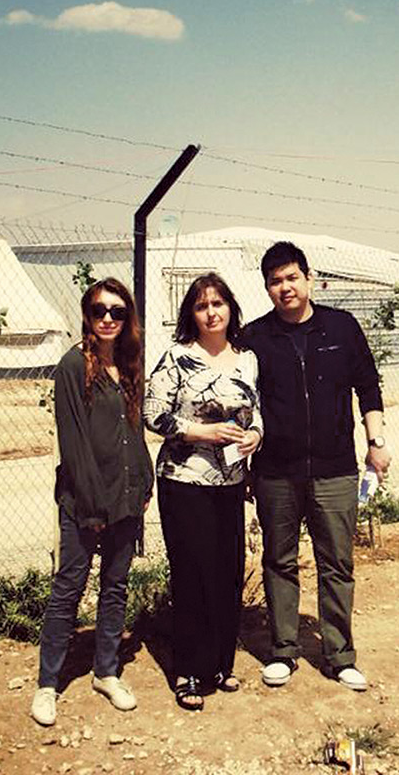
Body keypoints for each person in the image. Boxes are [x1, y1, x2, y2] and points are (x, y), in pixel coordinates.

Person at [242, 241, 391, 692]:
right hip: (275, 473)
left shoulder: (341, 328)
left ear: (309, 278)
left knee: (336, 564)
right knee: (280, 562)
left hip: (335, 471)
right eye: (274, 281)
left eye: (291, 277)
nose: (284, 287)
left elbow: (368, 388)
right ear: (267, 287)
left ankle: (339, 655)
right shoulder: (255, 337)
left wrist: (376, 442)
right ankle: (284, 651)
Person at [31, 278, 154, 727]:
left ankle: (106, 670)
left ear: (127, 319)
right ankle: (48, 684)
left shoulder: (129, 364)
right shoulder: (71, 367)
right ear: (87, 313)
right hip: (86, 503)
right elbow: (75, 444)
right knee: (69, 587)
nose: (107, 318)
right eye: (100, 310)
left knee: (115, 587)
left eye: (117, 312)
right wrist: (93, 508)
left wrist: (144, 483)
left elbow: (133, 433)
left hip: (126, 499)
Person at [144, 273, 263, 711]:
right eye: (201, 306)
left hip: (230, 483)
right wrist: (202, 431)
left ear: (230, 308)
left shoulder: (246, 359)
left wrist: (256, 438)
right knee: (192, 573)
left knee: (227, 572)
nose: (211, 312)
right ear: (190, 314)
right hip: (185, 481)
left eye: (218, 303)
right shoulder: (178, 357)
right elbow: (153, 413)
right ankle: (188, 671)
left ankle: (219, 665)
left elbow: (257, 412)